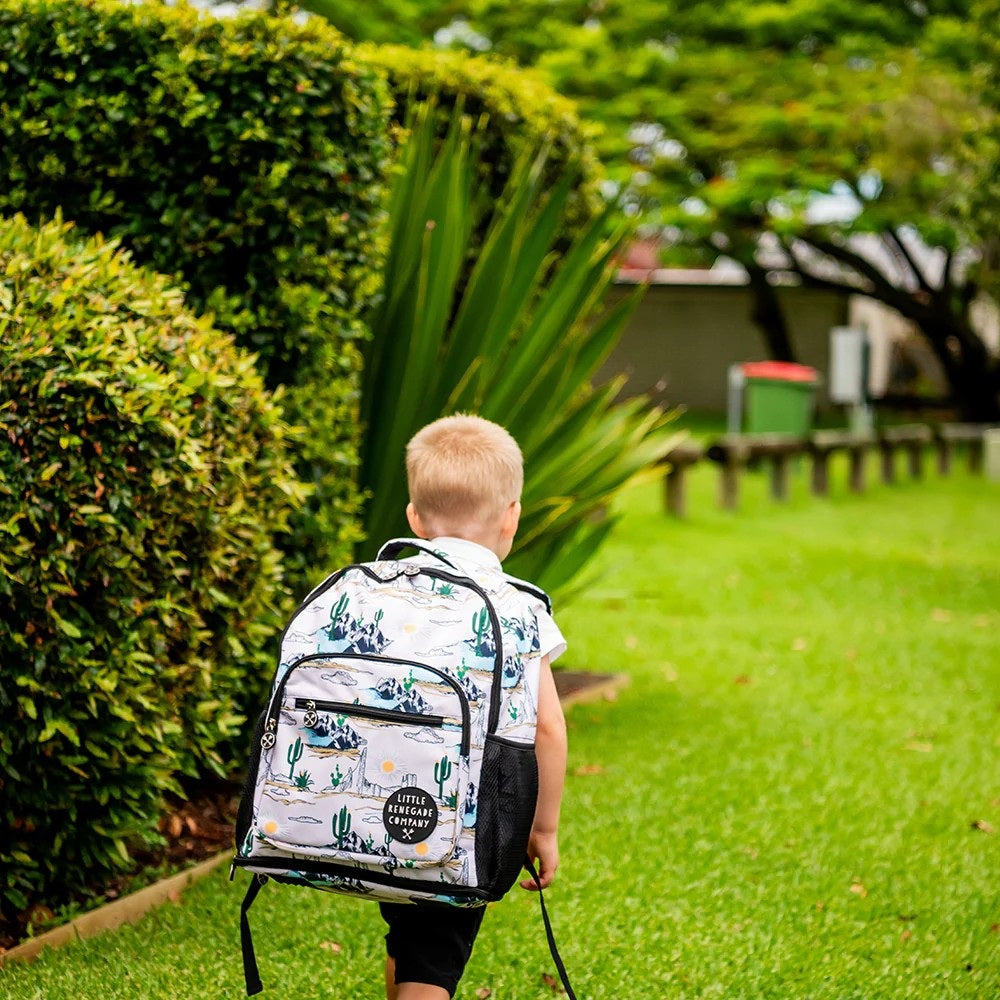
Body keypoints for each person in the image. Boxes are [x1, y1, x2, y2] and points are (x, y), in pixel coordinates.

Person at [380, 414, 569, 1000]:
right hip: (464, 820)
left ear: (414, 517)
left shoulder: (379, 587)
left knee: (407, 935)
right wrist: (544, 827)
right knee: (433, 956)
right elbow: (548, 729)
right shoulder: (521, 610)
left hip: (376, 804)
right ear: (512, 515)